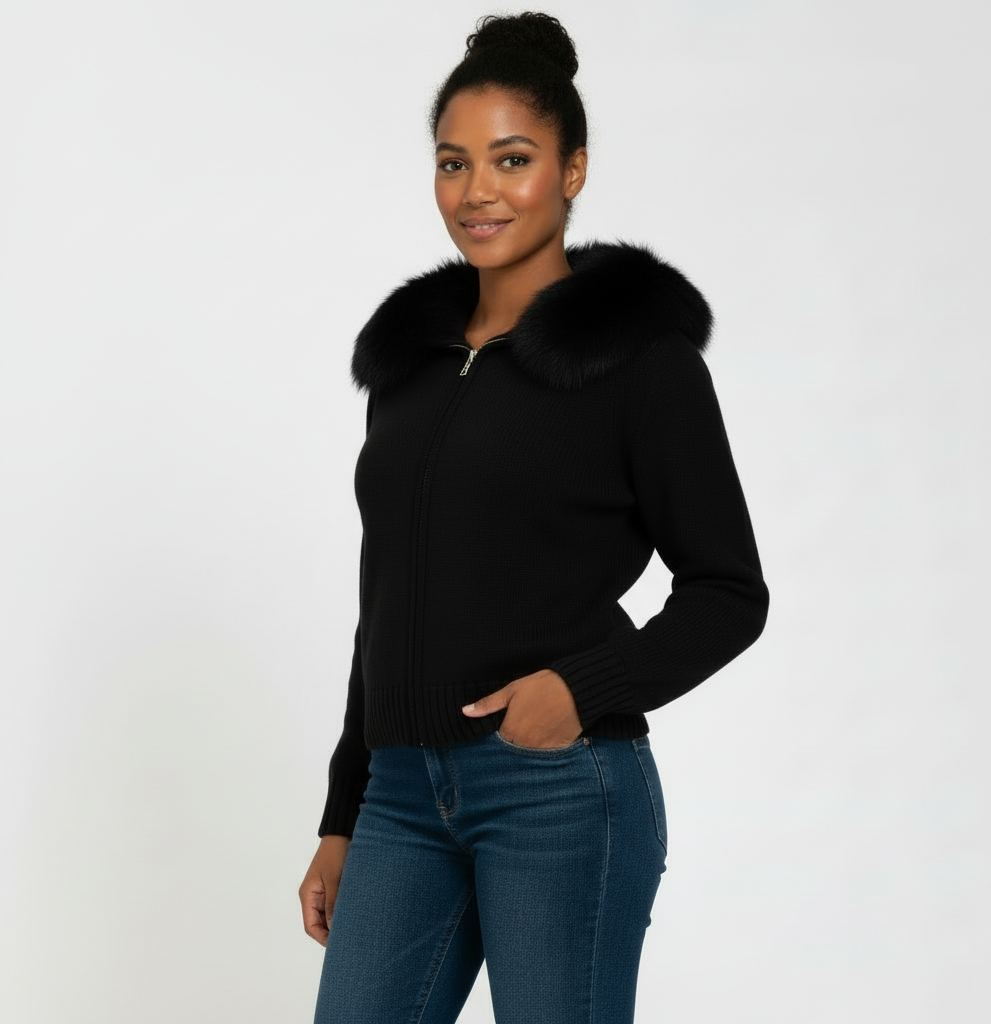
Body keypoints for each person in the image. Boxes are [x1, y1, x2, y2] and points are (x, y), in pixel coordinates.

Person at [298, 11, 769, 1024]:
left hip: (558, 789)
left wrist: (578, 689)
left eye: (512, 160)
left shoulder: (640, 362)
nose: (479, 190)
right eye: (453, 163)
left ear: (572, 170)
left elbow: (729, 592)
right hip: (400, 797)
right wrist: (344, 811)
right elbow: (386, 603)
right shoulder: (409, 371)